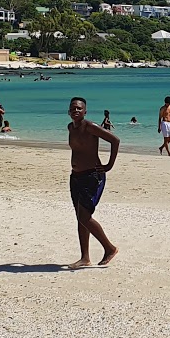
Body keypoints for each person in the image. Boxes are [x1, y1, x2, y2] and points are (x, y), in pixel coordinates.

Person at [66, 96, 120, 267]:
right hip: (76, 176)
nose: (76, 110)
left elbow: (115, 140)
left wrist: (109, 165)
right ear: (68, 111)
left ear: (85, 111)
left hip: (92, 177)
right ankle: (85, 258)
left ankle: (109, 248)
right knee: (80, 217)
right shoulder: (70, 128)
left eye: (79, 108)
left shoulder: (90, 127)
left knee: (85, 216)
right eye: (73, 108)